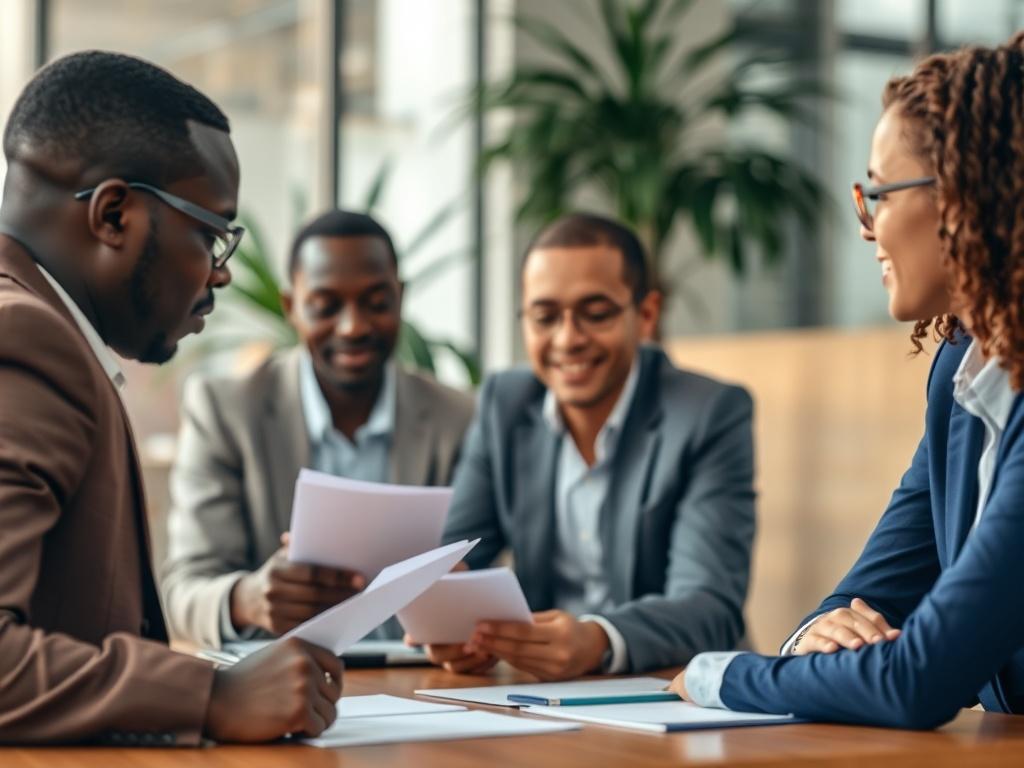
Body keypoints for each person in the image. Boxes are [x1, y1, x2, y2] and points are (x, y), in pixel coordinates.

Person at [672, 35, 1024, 729]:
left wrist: (719, 672)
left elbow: (917, 680)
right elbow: (864, 597)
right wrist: (813, 642)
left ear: (965, 196)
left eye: (880, 194)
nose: (867, 230)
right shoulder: (962, 375)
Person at [0, 51, 341, 745]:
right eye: (211, 235)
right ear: (114, 213)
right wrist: (211, 695)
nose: (219, 276)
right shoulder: (26, 339)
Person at [421, 212, 756, 680]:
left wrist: (599, 639)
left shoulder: (709, 413)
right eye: (544, 317)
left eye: (595, 314)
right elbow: (457, 556)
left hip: (675, 687)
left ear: (646, 315)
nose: (568, 339)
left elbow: (709, 606)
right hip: (538, 695)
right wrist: (456, 624)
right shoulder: (505, 402)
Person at [161, 209, 474, 648]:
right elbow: (183, 592)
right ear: (292, 307)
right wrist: (247, 599)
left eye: (377, 303)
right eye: (326, 306)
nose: (353, 326)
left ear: (400, 298)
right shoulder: (227, 411)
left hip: (421, 677)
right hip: (274, 679)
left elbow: (489, 571)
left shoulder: (456, 417)